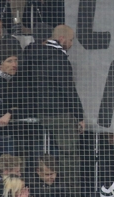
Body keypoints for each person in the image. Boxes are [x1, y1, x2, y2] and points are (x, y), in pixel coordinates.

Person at [19, 25, 85, 187]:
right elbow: (67, 89)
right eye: (70, 40)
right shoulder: (59, 59)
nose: (70, 44)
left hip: (35, 113)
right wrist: (79, 114)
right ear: (61, 39)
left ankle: (34, 191)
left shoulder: (30, 56)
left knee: (36, 154)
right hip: (59, 113)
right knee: (69, 156)